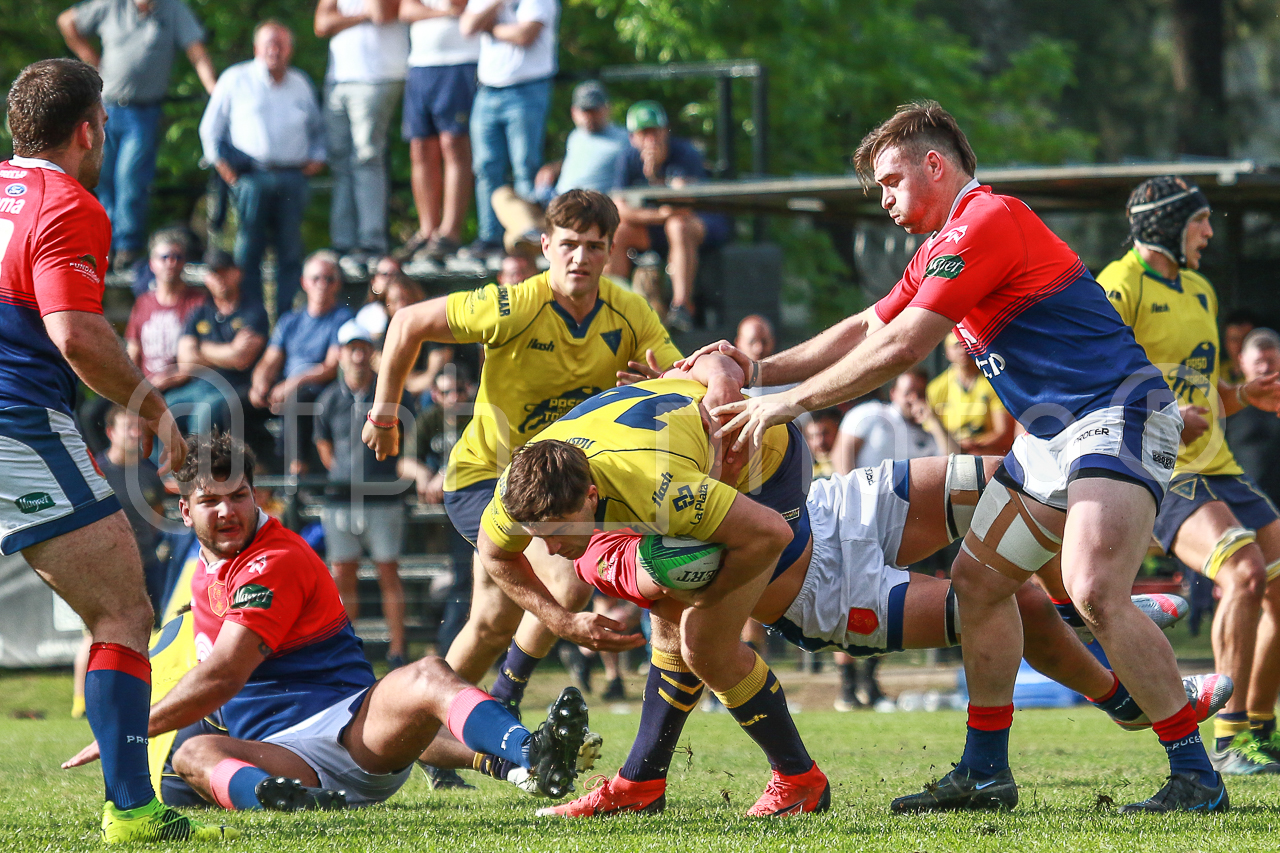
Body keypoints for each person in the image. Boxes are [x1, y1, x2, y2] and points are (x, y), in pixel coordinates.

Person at [692, 101, 1224, 813]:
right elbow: (863, 325)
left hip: (1115, 412)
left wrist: (787, 402)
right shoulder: (943, 246)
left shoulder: (987, 219)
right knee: (978, 582)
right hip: (1052, 436)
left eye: (889, 180)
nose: (883, 199)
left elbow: (902, 347)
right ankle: (984, 771)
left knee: (1092, 585)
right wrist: (756, 373)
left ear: (935, 166)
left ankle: (1195, 773)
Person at [62, 432, 597, 810]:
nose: (228, 511)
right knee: (195, 754)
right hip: (282, 757)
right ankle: (293, 804)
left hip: (352, 734)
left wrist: (128, 732)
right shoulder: (204, 573)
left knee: (427, 675)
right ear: (184, 511)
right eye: (210, 501)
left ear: (258, 496)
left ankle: (532, 749)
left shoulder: (275, 562)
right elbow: (197, 661)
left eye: (239, 496)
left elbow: (224, 673)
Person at [1, 58, 227, 841]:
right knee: (124, 611)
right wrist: (160, 416)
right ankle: (132, 809)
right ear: (89, 130)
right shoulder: (70, 204)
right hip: (17, 421)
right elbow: (76, 335)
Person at [363, 189, 679, 725]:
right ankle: (505, 702)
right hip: (482, 477)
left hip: (547, 482)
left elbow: (679, 376)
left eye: (594, 247)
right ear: (546, 244)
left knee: (489, 622)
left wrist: (662, 382)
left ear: (609, 252)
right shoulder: (514, 305)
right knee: (573, 558)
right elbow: (406, 323)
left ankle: (422, 736)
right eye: (570, 245)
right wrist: (385, 414)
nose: (580, 258)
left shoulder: (628, 311)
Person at [476, 373, 832, 817]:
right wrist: (561, 621)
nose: (548, 549)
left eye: (558, 532)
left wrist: (711, 596)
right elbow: (495, 555)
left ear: (590, 496)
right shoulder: (518, 488)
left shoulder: (659, 488)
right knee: (644, 591)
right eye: (537, 537)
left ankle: (799, 780)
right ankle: (639, 784)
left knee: (703, 641)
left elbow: (770, 534)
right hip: (667, 453)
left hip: (764, 459)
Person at [1098, 176, 1280, 774]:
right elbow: (1096, 381)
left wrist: (1245, 395)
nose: (1208, 231)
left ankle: (1258, 730)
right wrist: (1169, 415)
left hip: (1218, 466)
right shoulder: (1118, 285)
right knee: (1246, 573)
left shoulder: (1200, 289)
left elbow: (1205, 395)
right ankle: (1230, 741)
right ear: (1167, 225)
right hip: (1159, 467)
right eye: (1200, 221)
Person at [56, 0, 217, 271]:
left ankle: (128, 249)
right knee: (102, 180)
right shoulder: (111, 5)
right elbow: (66, 21)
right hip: (103, 109)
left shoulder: (173, 9)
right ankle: (103, 245)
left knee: (131, 179)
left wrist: (215, 91)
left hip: (144, 112)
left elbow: (197, 52)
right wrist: (91, 60)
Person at [198, 20, 326, 314]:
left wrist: (318, 158)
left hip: (293, 176)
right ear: (256, 48)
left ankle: (285, 319)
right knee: (247, 253)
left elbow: (318, 130)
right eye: (269, 43)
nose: (274, 49)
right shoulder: (235, 79)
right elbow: (210, 129)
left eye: (281, 43)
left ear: (290, 49)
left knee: (291, 252)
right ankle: (252, 316)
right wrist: (221, 165)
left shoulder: (301, 83)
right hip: (249, 178)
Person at [315, 321, 414, 667]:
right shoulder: (328, 398)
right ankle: (348, 650)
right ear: (340, 355)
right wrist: (344, 477)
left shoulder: (388, 393)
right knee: (343, 576)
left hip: (383, 498)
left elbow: (407, 441)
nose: (357, 355)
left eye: (362, 348)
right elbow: (323, 445)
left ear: (371, 354)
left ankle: (398, 651)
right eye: (351, 348)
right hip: (341, 499)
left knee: (389, 572)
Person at [72, 404, 171, 719]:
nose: (135, 433)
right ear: (111, 433)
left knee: (150, 632)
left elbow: (157, 517)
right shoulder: (93, 473)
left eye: (139, 428)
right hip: (104, 567)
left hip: (146, 566)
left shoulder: (148, 474)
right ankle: (81, 702)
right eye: (129, 427)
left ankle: (142, 697)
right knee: (96, 633)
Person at [609, 101, 732, 333]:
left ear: (665, 131)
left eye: (654, 131)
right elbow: (618, 209)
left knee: (678, 226)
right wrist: (659, 214)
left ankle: (682, 308)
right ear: (633, 137)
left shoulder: (685, 153)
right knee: (619, 231)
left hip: (700, 222)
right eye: (644, 133)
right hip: (657, 224)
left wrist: (655, 177)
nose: (650, 139)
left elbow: (686, 205)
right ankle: (612, 304)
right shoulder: (626, 158)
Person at [459, 0, 559, 261]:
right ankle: (490, 237)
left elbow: (526, 35)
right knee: (486, 167)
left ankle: (531, 237)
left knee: (525, 166)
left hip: (527, 89)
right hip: (487, 89)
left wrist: (490, 27)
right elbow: (467, 26)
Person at [315, 0, 409, 274]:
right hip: (339, 79)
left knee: (366, 158)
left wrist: (345, 16)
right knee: (341, 163)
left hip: (376, 76)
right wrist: (362, 14)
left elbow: (381, 13)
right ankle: (343, 242)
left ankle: (372, 242)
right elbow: (322, 24)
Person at [491, 80, 631, 256]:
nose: (589, 116)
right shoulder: (575, 136)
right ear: (574, 112)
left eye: (595, 109)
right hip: (551, 202)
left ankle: (537, 237)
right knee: (501, 195)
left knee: (511, 240)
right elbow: (582, 162)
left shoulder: (624, 140)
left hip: (582, 209)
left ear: (607, 108)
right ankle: (536, 234)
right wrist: (555, 167)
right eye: (584, 110)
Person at [250, 251, 355, 472]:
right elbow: (269, 360)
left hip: (321, 390)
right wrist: (259, 384)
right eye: (316, 278)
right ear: (304, 283)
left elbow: (330, 367)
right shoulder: (289, 321)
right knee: (232, 405)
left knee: (297, 399)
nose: (322, 284)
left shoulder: (343, 319)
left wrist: (291, 384)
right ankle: (253, 471)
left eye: (329, 279)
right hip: (286, 388)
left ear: (338, 285)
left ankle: (297, 474)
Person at [398, 0, 478, 263]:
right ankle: (427, 229)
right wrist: (444, 12)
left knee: (453, 144)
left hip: (459, 60)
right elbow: (406, 10)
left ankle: (450, 231)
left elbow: (462, 5)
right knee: (419, 148)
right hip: (421, 64)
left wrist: (434, 12)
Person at [402, 368, 475, 653]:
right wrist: (422, 474)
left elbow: (489, 459)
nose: (453, 397)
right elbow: (404, 462)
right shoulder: (428, 419)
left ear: (468, 389)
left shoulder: (478, 419)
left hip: (469, 514)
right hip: (434, 518)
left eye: (458, 389)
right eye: (446, 392)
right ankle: (440, 644)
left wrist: (446, 474)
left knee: (464, 579)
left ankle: (450, 646)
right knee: (442, 581)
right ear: (435, 395)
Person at [171, 248, 271, 442]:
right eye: (214, 273)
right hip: (199, 385)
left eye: (225, 272)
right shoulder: (199, 311)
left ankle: (201, 471)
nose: (220, 278)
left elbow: (241, 359)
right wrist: (228, 351)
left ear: (237, 273)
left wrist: (201, 349)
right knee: (161, 412)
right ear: (207, 278)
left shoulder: (253, 311)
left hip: (234, 385)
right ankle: (162, 471)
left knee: (203, 415)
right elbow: (186, 364)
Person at [124, 229, 208, 391]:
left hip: (185, 386)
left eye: (177, 257)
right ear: (152, 263)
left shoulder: (199, 302)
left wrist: (171, 379)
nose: (171, 262)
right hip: (145, 387)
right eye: (164, 257)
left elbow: (202, 356)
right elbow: (133, 351)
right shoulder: (143, 302)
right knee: (95, 412)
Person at [833, 369, 957, 475]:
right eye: (907, 393)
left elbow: (955, 463)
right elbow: (841, 454)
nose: (914, 398)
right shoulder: (871, 413)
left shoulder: (929, 434)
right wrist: (852, 494)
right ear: (893, 393)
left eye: (920, 393)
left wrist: (935, 423)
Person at [927, 332, 1014, 454]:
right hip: (949, 453)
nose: (963, 350)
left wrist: (973, 444)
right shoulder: (936, 388)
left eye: (967, 344)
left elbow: (1002, 432)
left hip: (987, 453)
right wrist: (955, 444)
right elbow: (931, 430)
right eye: (957, 345)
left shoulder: (993, 383)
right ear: (947, 352)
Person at [1227, 329, 1280, 506]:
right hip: (1244, 507)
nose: (1265, 368)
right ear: (1242, 361)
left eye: (1271, 361)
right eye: (1258, 362)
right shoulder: (1227, 407)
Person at [1221, 309, 1259, 386]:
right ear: (1226, 342)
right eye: (1234, 339)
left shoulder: (1267, 372)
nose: (1240, 345)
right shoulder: (1216, 373)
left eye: (1246, 339)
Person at [803, 408, 839, 480]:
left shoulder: (856, 462)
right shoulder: (803, 473)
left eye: (825, 433)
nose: (819, 442)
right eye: (812, 436)